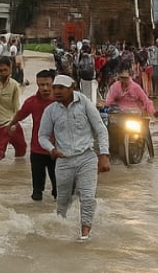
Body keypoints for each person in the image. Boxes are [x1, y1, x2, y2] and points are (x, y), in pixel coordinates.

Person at [38, 75, 111, 241]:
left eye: (61, 88)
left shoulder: (85, 103)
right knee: (62, 200)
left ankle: (85, 234)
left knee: (87, 197)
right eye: (55, 87)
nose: (56, 91)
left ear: (72, 88)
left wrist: (104, 155)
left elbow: (100, 129)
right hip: (63, 160)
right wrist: (52, 150)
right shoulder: (50, 111)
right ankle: (60, 231)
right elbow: (42, 136)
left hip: (86, 157)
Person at [7, 69, 59, 202]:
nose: (45, 88)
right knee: (36, 193)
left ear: (54, 83)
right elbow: (19, 115)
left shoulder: (62, 101)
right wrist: (9, 127)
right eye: (41, 85)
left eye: (48, 84)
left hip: (58, 151)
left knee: (59, 192)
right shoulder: (32, 102)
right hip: (37, 151)